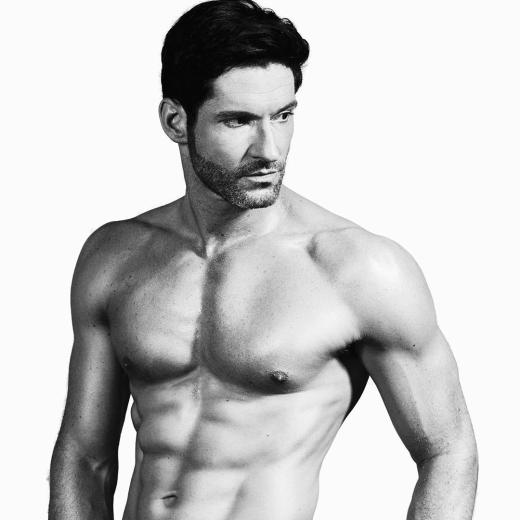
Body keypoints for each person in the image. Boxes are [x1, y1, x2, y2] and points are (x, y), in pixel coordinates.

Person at [49, 1, 478, 519]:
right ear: (175, 121)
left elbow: (447, 450)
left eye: (284, 115)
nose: (269, 149)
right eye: (238, 121)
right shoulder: (114, 257)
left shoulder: (359, 269)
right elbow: (85, 456)